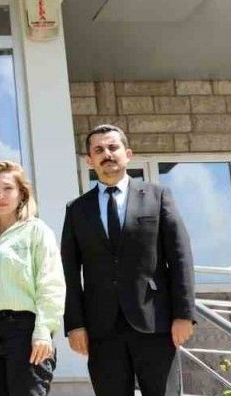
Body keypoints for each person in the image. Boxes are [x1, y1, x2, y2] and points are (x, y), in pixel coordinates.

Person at [61, 125, 196, 396]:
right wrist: (75, 324)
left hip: (155, 323)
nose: (107, 154)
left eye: (113, 147)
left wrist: (184, 314)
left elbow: (180, 257)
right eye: (99, 150)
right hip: (102, 328)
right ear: (89, 160)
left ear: (128, 154)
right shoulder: (76, 209)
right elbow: (70, 272)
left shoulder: (158, 196)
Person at [0, 161, 64, 396]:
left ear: (22, 194)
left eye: (8, 188)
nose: (0, 196)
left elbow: (51, 285)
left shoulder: (37, 231)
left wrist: (43, 331)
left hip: (25, 333)